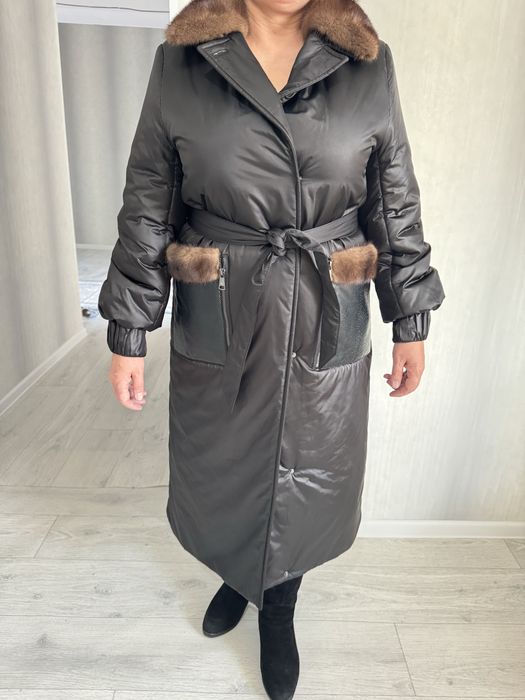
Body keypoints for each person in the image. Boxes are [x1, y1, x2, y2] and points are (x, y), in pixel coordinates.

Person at [98, 1, 446, 698]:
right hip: (223, 302)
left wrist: (410, 317)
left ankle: (278, 605)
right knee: (222, 460)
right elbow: (149, 203)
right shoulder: (181, 62)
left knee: (308, 466)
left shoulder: (367, 62)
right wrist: (129, 330)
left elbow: (393, 200)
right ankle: (238, 574)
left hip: (325, 302)